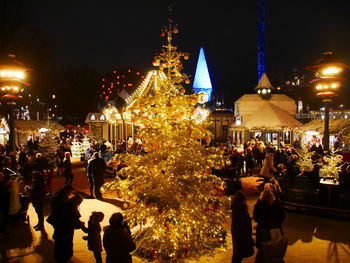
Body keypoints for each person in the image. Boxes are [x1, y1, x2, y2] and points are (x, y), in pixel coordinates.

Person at [253, 189, 286, 263]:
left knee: (263, 249)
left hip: (263, 230)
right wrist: (277, 223)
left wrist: (263, 222)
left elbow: (256, 217)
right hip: (275, 229)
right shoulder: (277, 205)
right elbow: (282, 215)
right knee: (275, 247)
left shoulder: (259, 205)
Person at [51, 194, 87, 263]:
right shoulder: (72, 208)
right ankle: (65, 257)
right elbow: (74, 220)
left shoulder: (64, 205)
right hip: (66, 230)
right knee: (66, 244)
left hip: (59, 229)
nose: (79, 204)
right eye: (79, 202)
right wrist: (81, 225)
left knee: (59, 244)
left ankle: (59, 257)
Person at [231, 191, 254, 263]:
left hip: (241, 238)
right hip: (241, 238)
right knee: (237, 256)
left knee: (237, 256)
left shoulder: (241, 209)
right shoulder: (238, 211)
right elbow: (240, 226)